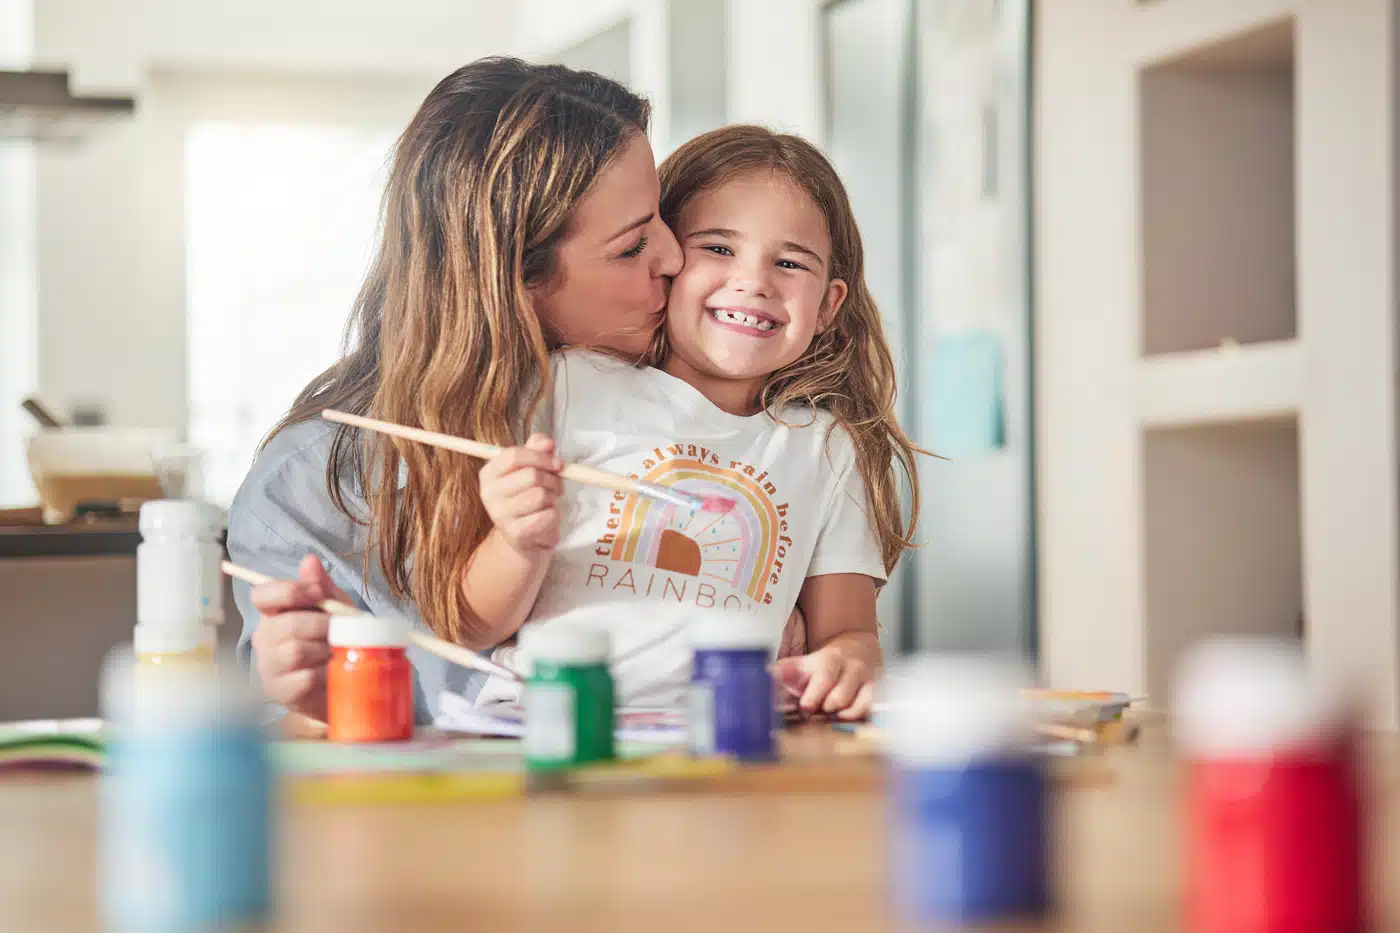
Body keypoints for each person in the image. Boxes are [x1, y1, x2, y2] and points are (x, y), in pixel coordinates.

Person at [229, 57, 683, 723]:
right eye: (632, 246)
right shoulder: (310, 486)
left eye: (661, 217)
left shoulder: (681, 392)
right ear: (512, 279)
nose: (674, 258)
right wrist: (295, 690)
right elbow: (286, 732)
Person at [470, 125, 921, 719]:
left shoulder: (827, 449)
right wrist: (516, 539)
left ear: (829, 306)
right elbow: (472, 626)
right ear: (665, 262)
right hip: (541, 725)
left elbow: (851, 635)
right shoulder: (570, 384)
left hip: (725, 740)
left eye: (789, 263)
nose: (754, 282)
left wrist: (848, 663)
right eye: (718, 248)